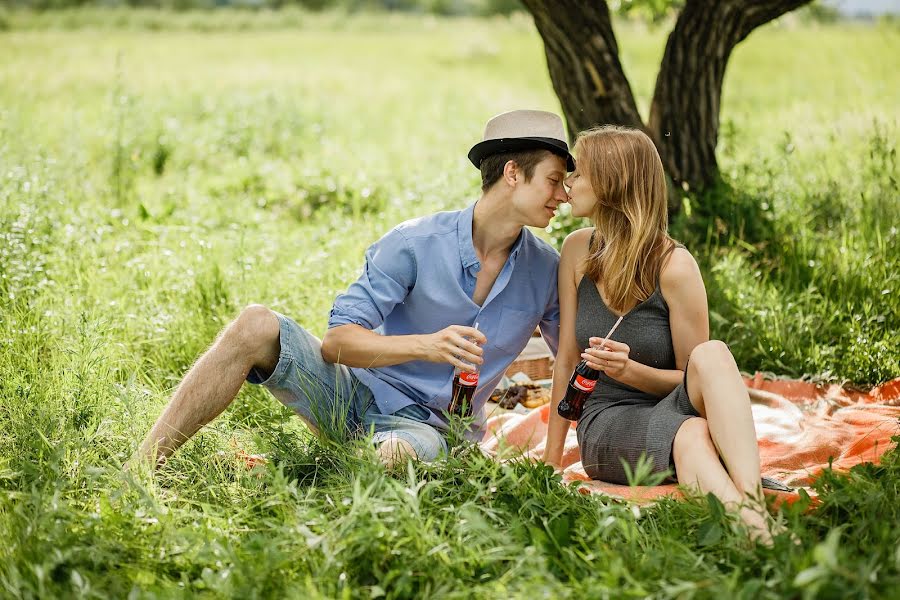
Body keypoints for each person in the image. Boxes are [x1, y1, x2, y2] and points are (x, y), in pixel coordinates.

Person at [134, 109, 571, 469]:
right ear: (513, 173)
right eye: (554, 180)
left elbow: (570, 358)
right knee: (254, 324)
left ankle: (303, 470)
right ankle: (140, 470)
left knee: (403, 452)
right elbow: (336, 343)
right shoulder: (414, 243)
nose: (563, 196)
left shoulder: (547, 270)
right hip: (353, 396)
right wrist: (426, 346)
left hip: (432, 433)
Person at [542, 125, 776, 543]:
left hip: (672, 405)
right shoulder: (577, 251)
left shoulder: (675, 267)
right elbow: (564, 361)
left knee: (714, 354)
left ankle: (752, 509)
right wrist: (550, 464)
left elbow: (691, 379)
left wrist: (632, 371)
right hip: (607, 420)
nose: (569, 181)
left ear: (613, 181)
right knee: (692, 434)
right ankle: (763, 537)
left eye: (579, 172)